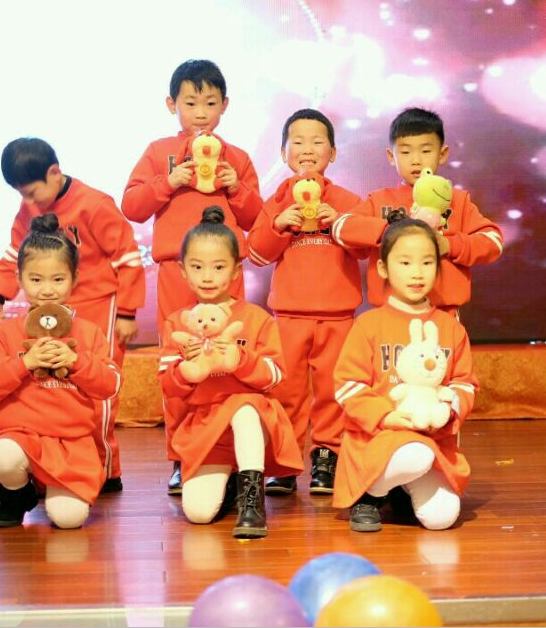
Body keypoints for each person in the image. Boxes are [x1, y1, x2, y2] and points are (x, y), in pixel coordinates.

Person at [121, 59, 262, 494]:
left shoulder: (237, 158)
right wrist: (168, 181)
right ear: (172, 105)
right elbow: (132, 206)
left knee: (228, 357)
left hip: (227, 275)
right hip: (175, 273)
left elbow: (257, 219)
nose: (201, 113)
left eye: (210, 103)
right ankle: (182, 456)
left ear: (225, 105)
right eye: (190, 103)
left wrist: (236, 188)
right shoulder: (158, 151)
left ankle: (231, 455)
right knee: (180, 359)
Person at [0, 137, 143, 494]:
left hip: (98, 303)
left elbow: (127, 256)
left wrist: (127, 312)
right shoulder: (29, 210)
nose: (28, 202)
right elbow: (16, 255)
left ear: (54, 172)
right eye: (21, 195)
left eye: (32, 192)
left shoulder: (94, 204)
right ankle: (50, 467)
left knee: (96, 385)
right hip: (48, 309)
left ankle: (105, 468)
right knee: (51, 386)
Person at [0, 215, 123, 529]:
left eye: (58, 279)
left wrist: (77, 362)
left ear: (74, 278)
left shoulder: (89, 332)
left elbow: (110, 384)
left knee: (69, 520)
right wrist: (23, 363)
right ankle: (16, 493)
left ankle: (50, 485)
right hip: (20, 437)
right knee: (3, 457)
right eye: (36, 280)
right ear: (20, 279)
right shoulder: (5, 333)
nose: (48, 290)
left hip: (72, 443)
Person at [158, 207, 302, 538]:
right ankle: (231, 479)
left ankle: (252, 500)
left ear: (236, 270)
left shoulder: (257, 318)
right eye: (197, 267)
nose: (207, 277)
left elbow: (275, 375)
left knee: (244, 407)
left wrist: (241, 360)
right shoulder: (178, 322)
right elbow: (168, 385)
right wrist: (188, 371)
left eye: (219, 267)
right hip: (207, 427)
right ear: (183, 271)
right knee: (198, 514)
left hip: (252, 423)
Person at [246, 108, 368, 495]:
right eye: (297, 142)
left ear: (333, 153)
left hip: (338, 316)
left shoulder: (346, 200)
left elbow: (365, 248)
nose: (308, 149)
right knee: (286, 392)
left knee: (333, 390)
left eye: (318, 142)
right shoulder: (276, 201)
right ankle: (284, 463)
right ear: (284, 154)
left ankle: (326, 457)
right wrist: (279, 226)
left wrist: (340, 223)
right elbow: (256, 254)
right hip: (288, 317)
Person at [332, 211, 478, 532]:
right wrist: (385, 417)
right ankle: (370, 493)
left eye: (427, 262)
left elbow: (465, 384)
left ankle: (401, 487)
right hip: (378, 438)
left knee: (441, 519)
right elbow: (348, 385)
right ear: (384, 268)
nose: (417, 273)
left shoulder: (450, 328)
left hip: (431, 438)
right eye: (405, 262)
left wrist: (448, 411)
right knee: (415, 456)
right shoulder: (369, 324)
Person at [342, 107, 504, 315]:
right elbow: (342, 228)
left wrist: (450, 245)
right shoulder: (379, 200)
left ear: (442, 154)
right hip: (389, 314)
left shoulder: (458, 201)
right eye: (406, 152)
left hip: (444, 313)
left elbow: (493, 242)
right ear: (391, 156)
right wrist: (388, 231)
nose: (416, 160)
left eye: (426, 151)